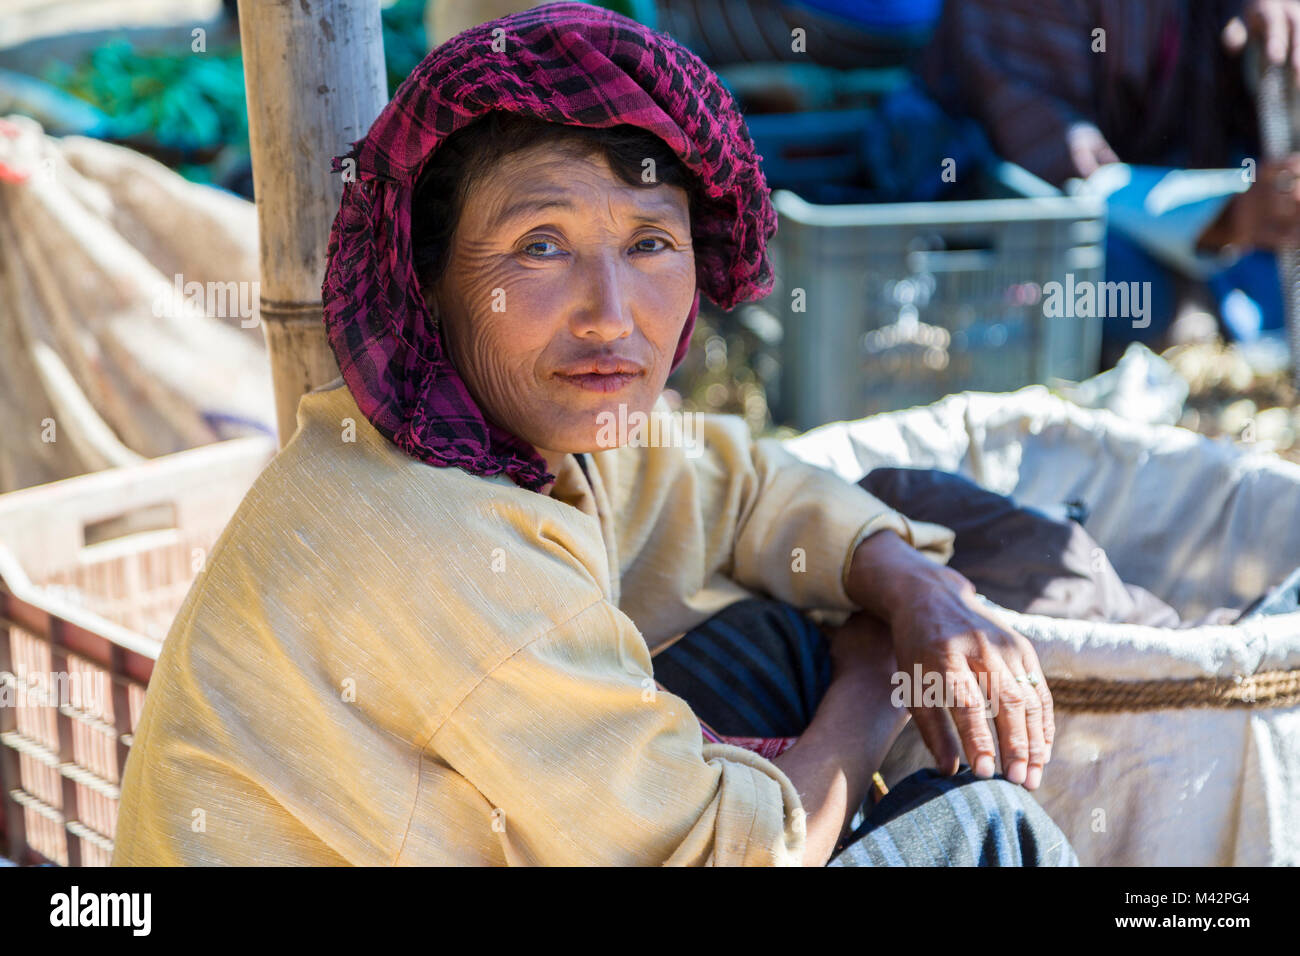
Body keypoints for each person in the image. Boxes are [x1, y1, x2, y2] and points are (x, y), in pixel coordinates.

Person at [111, 2, 1072, 867]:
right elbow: (734, 862)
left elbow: (737, 491)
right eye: (540, 247)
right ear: (430, 278)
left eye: (650, 244)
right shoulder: (437, 541)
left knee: (771, 642)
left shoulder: (520, 429)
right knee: (988, 828)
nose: (611, 316)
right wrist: (871, 685)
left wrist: (914, 587)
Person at [920, 0, 1300, 363]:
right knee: (1133, 291)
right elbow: (1071, 174)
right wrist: (1226, 214)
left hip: (1190, 212)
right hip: (1022, 215)